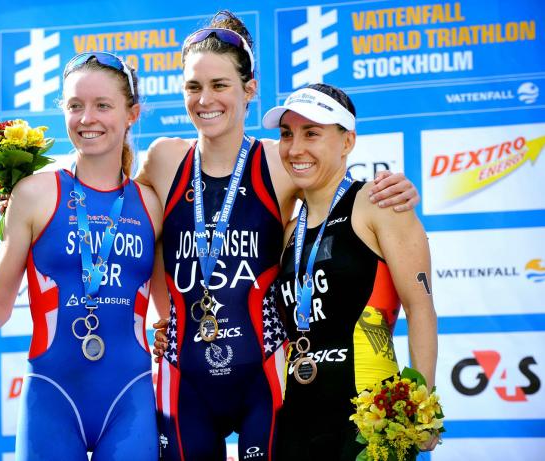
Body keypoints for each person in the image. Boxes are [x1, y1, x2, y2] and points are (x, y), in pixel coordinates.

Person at [141, 11, 420, 461]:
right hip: (185, 374)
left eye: (219, 85)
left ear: (249, 89)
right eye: (193, 86)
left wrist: (397, 188)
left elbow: (335, 188)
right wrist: (163, 310)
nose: (205, 99)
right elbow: (131, 220)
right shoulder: (162, 159)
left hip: (265, 373)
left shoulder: (280, 159)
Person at [0, 52, 163, 460]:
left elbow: (165, 312)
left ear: (132, 114)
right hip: (52, 399)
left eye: (103, 105)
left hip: (131, 399)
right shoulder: (35, 194)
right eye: (75, 105)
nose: (87, 118)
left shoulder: (150, 202)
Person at [261, 83, 438, 460]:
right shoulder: (288, 231)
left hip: (370, 418)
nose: (295, 148)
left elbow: (420, 309)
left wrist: (423, 408)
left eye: (312, 134)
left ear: (347, 142)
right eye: (287, 134)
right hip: (298, 415)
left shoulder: (381, 204)